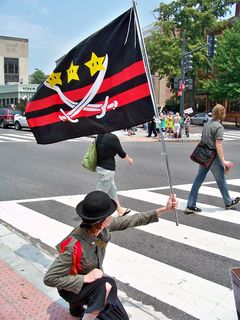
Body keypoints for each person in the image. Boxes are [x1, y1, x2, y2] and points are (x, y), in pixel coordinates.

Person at [43, 190, 178, 320]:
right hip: (70, 289)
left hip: (88, 280)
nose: (112, 216)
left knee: (99, 281)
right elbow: (50, 278)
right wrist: (84, 279)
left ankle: (76, 310)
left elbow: (132, 220)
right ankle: (80, 306)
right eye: (109, 215)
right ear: (102, 221)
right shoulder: (73, 246)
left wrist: (164, 209)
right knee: (109, 288)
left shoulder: (103, 227)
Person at [185, 104, 240, 213]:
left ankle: (190, 204)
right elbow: (218, 144)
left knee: (198, 179)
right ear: (222, 114)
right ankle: (228, 202)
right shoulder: (219, 127)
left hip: (203, 155)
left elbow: (203, 139)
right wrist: (223, 160)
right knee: (221, 180)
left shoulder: (207, 123)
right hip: (213, 157)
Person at [95, 132, 133, 217]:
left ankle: (119, 210)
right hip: (107, 168)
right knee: (100, 192)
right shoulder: (112, 137)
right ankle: (92, 213)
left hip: (100, 166)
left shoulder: (100, 135)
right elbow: (121, 153)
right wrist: (129, 159)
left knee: (112, 189)